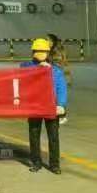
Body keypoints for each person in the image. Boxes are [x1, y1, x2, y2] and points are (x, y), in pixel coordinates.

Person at [21, 38, 67, 175]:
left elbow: (61, 87)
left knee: (53, 137)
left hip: (51, 107)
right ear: (33, 52)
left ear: (48, 53)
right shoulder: (26, 67)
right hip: (34, 106)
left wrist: (61, 105)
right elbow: (21, 75)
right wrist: (37, 69)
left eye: (43, 51)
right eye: (38, 51)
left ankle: (54, 165)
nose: (40, 53)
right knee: (34, 135)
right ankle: (36, 162)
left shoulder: (55, 70)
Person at [47, 33, 71, 125]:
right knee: (57, 94)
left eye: (48, 40)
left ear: (52, 41)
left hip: (58, 73)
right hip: (57, 73)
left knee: (59, 94)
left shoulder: (57, 50)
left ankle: (62, 116)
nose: (46, 42)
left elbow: (58, 62)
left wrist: (49, 64)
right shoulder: (53, 50)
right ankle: (60, 114)